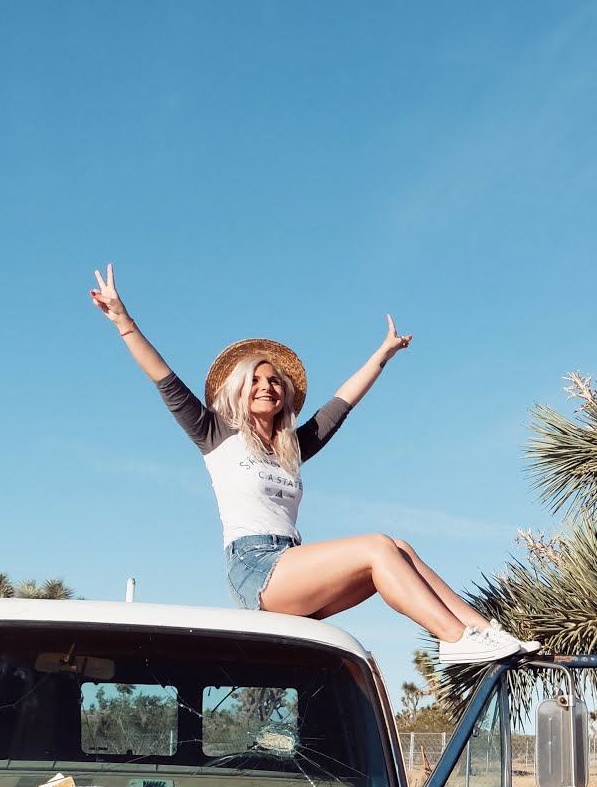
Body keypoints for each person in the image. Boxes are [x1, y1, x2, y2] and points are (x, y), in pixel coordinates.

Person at [90, 264, 530, 664]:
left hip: (291, 564)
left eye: (275, 381)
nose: (268, 386)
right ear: (239, 392)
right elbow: (164, 378)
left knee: (399, 549)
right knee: (378, 545)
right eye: (256, 381)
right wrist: (122, 320)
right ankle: (454, 639)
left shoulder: (291, 448)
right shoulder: (214, 434)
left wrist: (383, 354)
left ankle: (484, 632)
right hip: (255, 570)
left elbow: (341, 405)